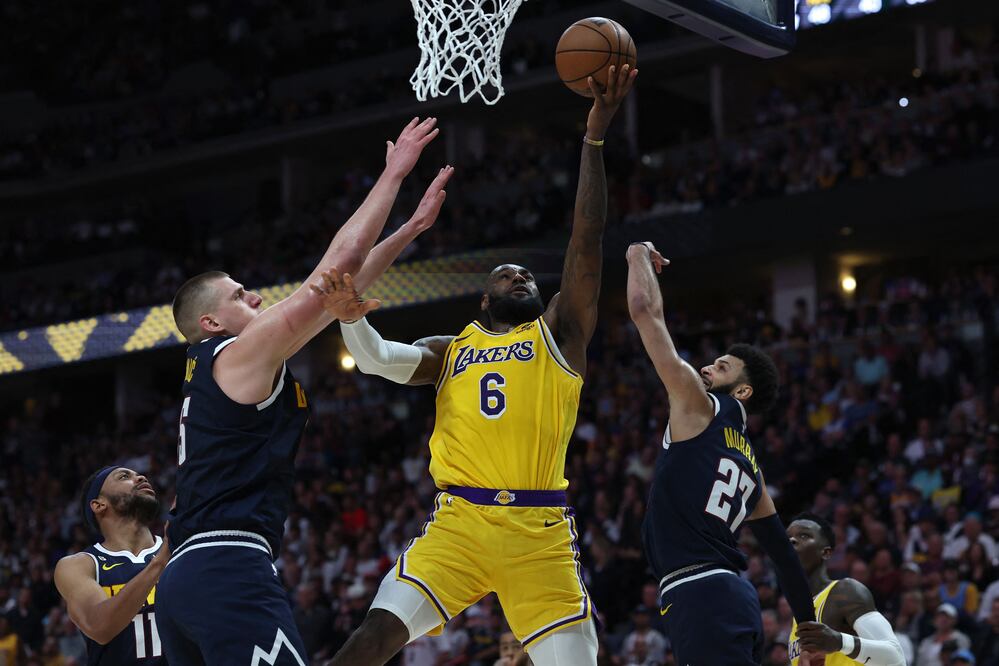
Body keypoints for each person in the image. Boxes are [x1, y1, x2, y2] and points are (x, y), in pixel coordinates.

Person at [313, 64, 638, 666]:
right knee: (373, 637)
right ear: (485, 300)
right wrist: (349, 316)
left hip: (538, 535)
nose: (522, 275)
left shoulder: (561, 334)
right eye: (507, 274)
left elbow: (586, 237)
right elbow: (379, 360)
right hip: (458, 524)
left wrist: (594, 139)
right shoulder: (451, 349)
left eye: (527, 274)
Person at [157, 117, 451, 665]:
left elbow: (341, 290)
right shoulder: (235, 357)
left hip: (187, 580)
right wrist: (392, 174)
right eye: (242, 297)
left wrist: (409, 230)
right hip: (227, 566)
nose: (258, 299)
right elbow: (332, 270)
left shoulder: (218, 368)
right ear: (210, 324)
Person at [624, 240, 816, 665]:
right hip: (732, 597)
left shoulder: (699, 407)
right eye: (712, 362)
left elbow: (644, 312)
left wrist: (637, 253)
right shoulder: (753, 471)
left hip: (700, 592)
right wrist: (807, 626)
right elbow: (784, 557)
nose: (708, 368)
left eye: (723, 367)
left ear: (742, 391)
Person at [53, 466, 168, 664]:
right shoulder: (80, 565)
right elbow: (100, 627)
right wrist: (162, 560)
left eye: (138, 474)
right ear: (99, 505)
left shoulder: (178, 549)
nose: (140, 477)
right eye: (124, 476)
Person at [785, 513, 905, 665]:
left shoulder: (845, 592)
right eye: (787, 537)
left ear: (826, 552)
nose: (792, 540)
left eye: (804, 535)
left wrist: (840, 642)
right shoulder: (798, 611)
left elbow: (896, 657)